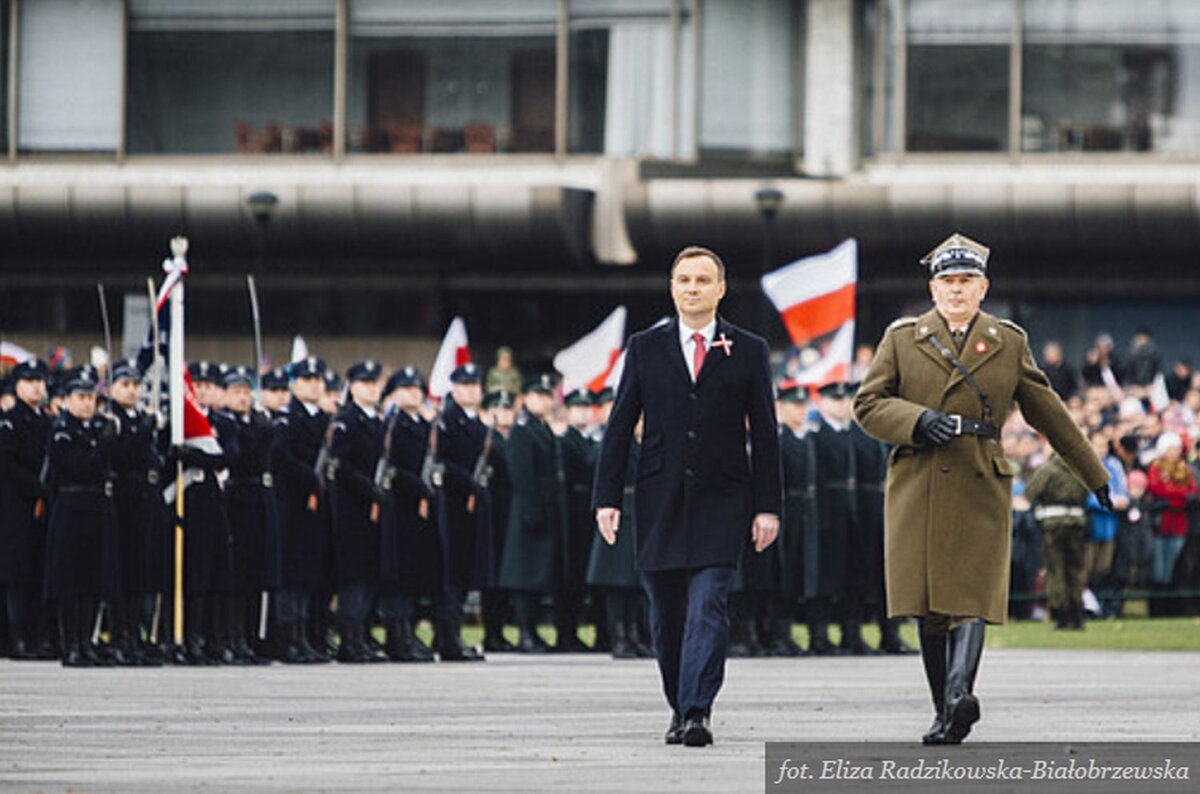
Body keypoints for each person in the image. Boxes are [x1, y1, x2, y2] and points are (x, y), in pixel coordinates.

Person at [854, 232, 1110, 745]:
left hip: (979, 476)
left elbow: (1050, 414)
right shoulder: (902, 338)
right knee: (927, 605)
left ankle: (957, 696)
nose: (956, 290)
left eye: (966, 281)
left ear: (983, 287)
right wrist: (918, 419)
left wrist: (1095, 475)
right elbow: (868, 404)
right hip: (919, 477)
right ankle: (944, 709)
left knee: (970, 597)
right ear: (932, 288)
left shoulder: (1007, 340)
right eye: (947, 281)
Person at [592, 245, 781, 748]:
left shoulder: (748, 349)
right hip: (660, 499)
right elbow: (619, 426)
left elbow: (764, 433)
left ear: (721, 289)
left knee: (708, 605)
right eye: (683, 280)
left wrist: (768, 507)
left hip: (724, 500)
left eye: (703, 280)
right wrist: (606, 497)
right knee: (666, 613)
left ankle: (698, 710)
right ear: (672, 288)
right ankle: (679, 703)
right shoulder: (644, 347)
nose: (693, 289)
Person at [42, 368, 122, 667]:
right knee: (69, 580)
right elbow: (79, 466)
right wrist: (104, 443)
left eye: (91, 398)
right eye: (81, 398)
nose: (87, 404)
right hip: (71, 504)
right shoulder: (63, 429)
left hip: (96, 504)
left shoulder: (96, 427)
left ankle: (87, 642)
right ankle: (71, 643)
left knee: (92, 577)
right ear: (67, 400)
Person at [497, 374, 568, 653]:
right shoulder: (523, 430)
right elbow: (522, 475)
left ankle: (533, 631)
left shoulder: (542, 428)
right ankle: (525, 631)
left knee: (540, 577)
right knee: (526, 578)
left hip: (546, 510)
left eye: (547, 395)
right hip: (529, 512)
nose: (544, 400)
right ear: (524, 398)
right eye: (538, 395)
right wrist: (531, 512)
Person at [270, 357, 333, 664]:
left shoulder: (324, 420)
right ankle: (288, 639)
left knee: (308, 573)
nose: (314, 384)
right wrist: (310, 477)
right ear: (294, 384)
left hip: (315, 507)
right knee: (291, 574)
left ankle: (304, 636)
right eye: (307, 379)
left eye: (317, 379)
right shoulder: (287, 417)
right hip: (292, 504)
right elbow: (281, 454)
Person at [328, 360, 388, 663]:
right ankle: (349, 640)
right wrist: (368, 488)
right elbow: (340, 466)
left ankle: (361, 635)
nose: (372, 389)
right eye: (365, 383)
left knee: (368, 574)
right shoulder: (347, 420)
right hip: (352, 507)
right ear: (352, 387)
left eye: (375, 383)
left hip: (373, 509)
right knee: (353, 577)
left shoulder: (377, 422)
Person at [0, 358, 56, 660]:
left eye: (40, 380)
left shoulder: (47, 422)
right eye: (30, 381)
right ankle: (16, 637)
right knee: (16, 574)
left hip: (42, 504)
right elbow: (6, 463)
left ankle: (37, 636)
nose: (37, 386)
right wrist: (36, 488)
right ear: (17, 386)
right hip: (16, 506)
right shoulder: (10, 421)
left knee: (37, 571)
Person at [1026, 452, 1092, 630]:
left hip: (1053, 524)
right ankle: (1077, 614)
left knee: (1056, 570)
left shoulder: (1048, 469)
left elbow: (1030, 492)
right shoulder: (1080, 469)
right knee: (1076, 570)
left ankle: (1062, 616)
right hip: (1077, 521)